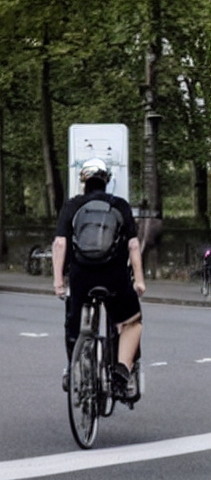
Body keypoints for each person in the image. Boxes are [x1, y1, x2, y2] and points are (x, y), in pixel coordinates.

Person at [51, 158, 146, 395]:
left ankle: (74, 367)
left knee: (73, 320)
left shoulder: (72, 206)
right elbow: (133, 246)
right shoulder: (120, 205)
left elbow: (60, 244)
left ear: (83, 181)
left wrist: (58, 282)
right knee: (131, 322)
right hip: (114, 275)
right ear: (107, 181)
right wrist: (139, 279)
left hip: (81, 275)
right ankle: (122, 372)